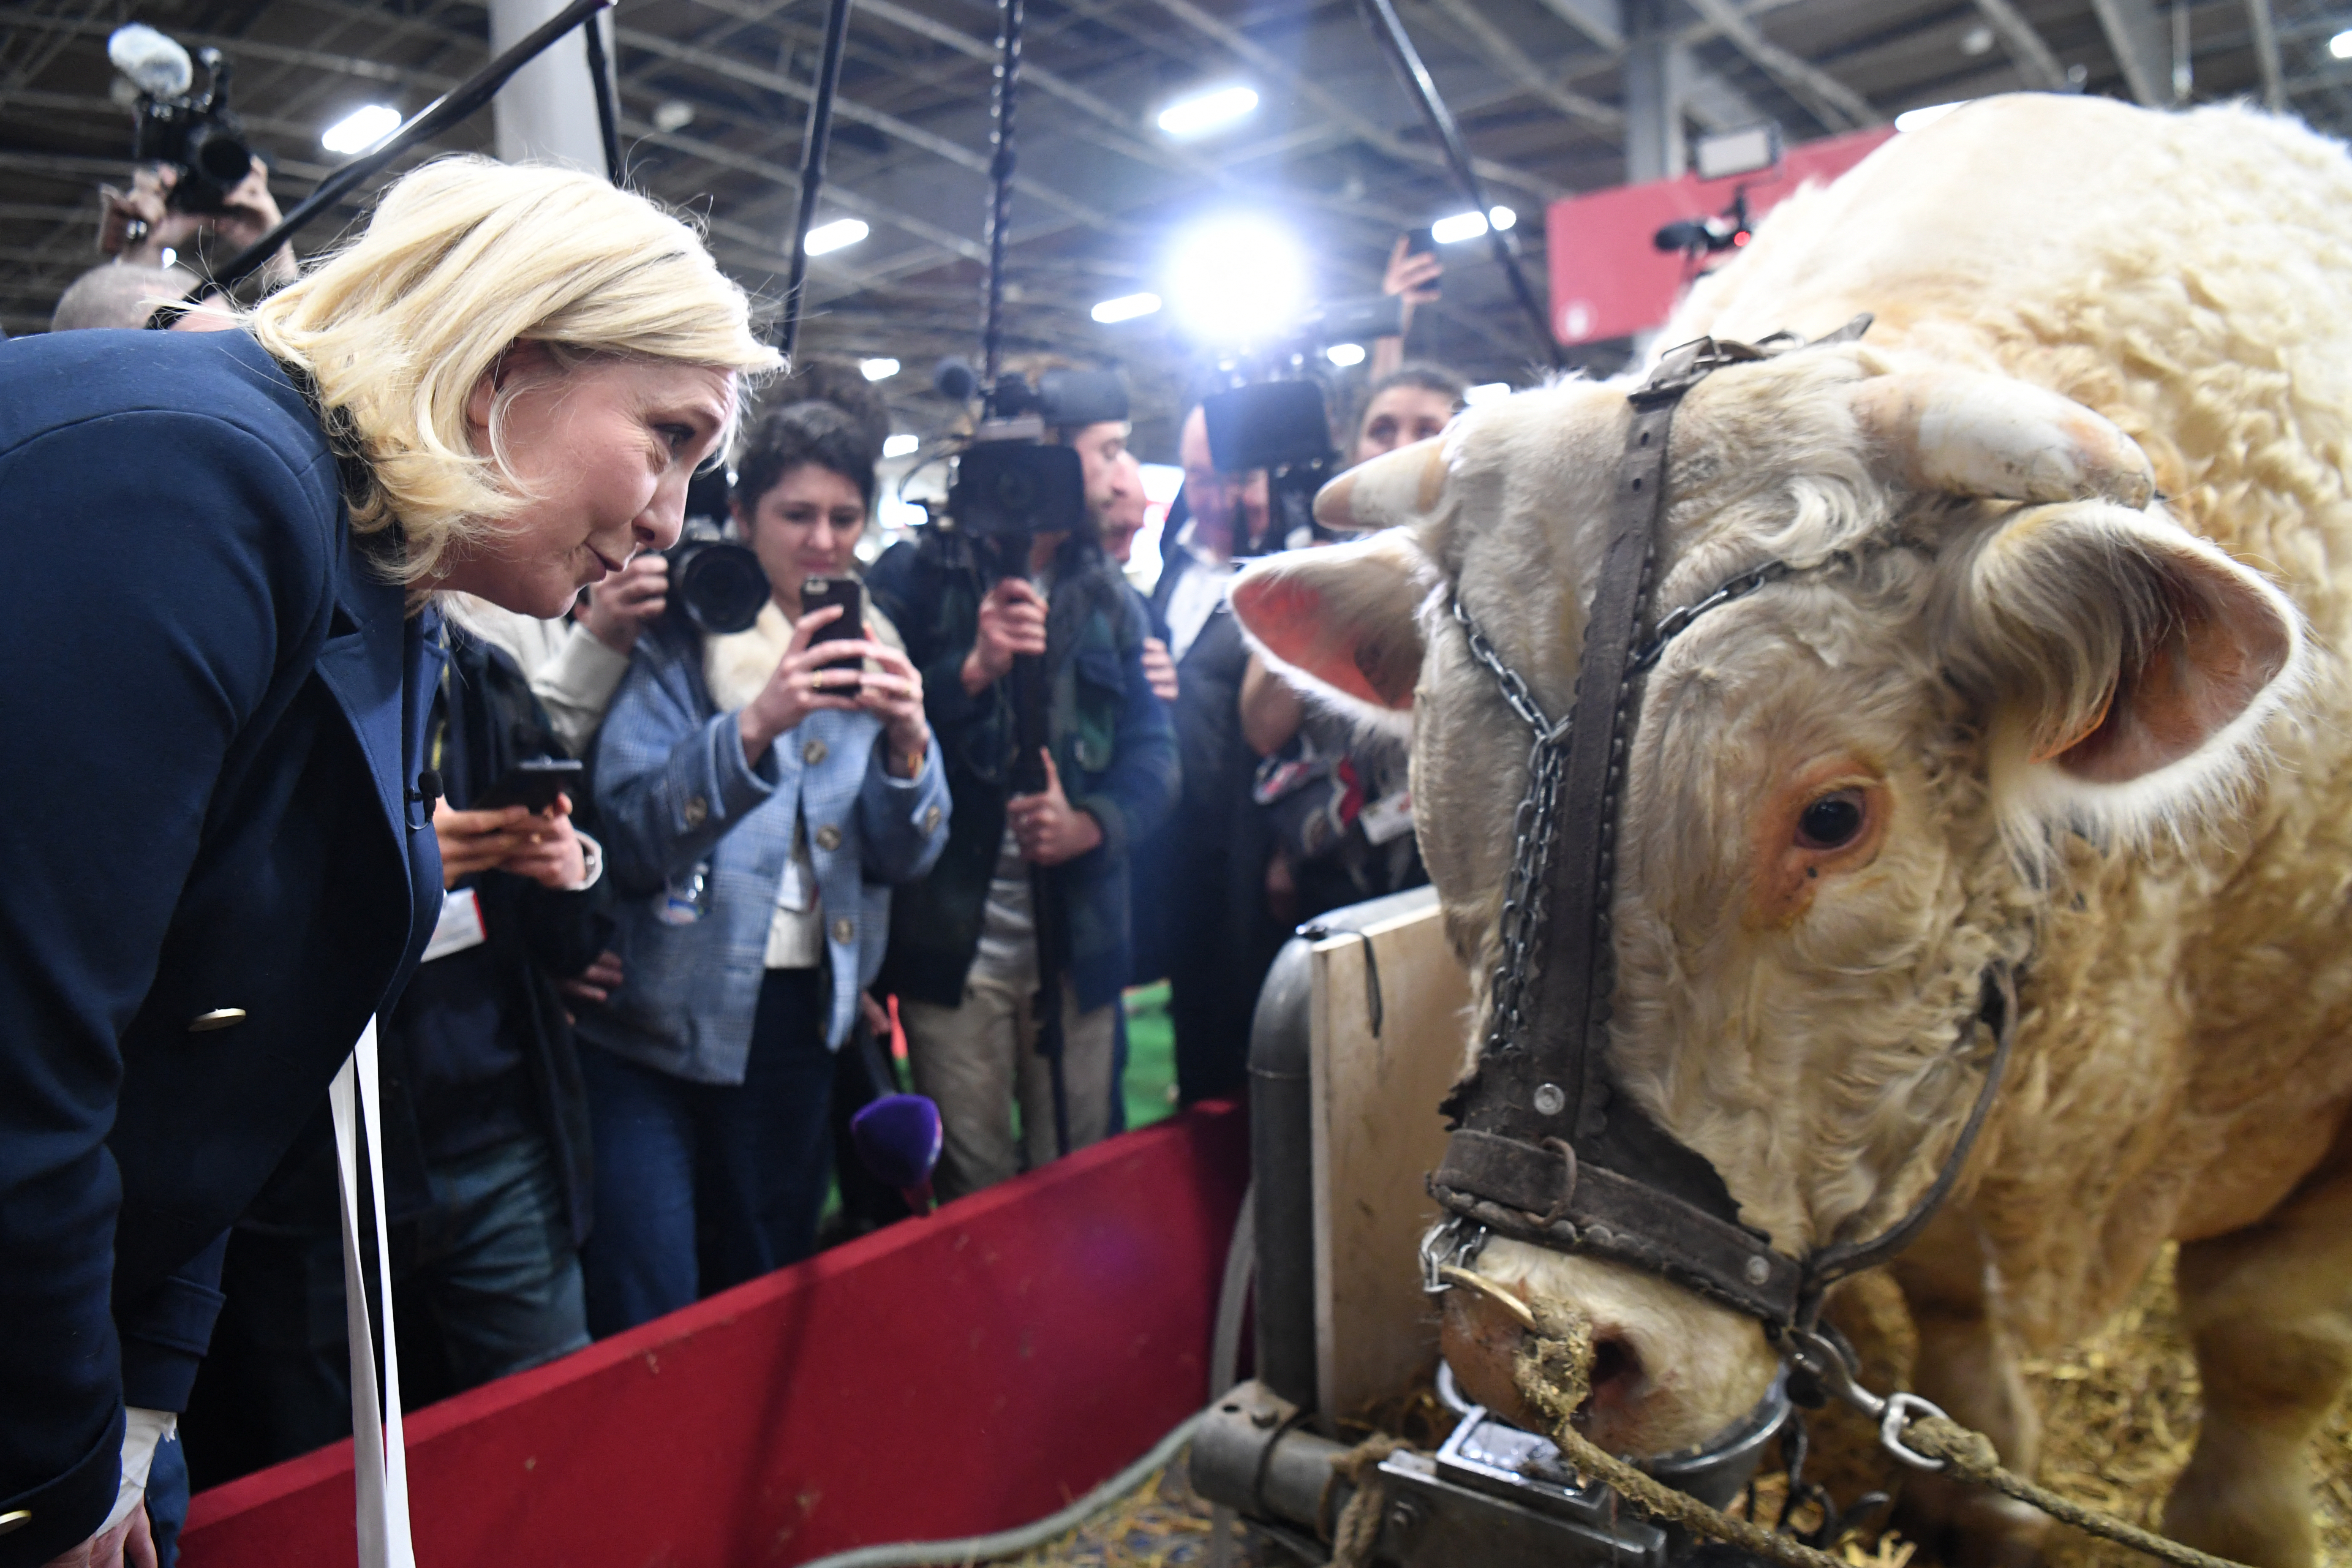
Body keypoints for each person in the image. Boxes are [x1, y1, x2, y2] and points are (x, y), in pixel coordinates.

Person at [0, 155, 773, 1568]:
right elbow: (21, 1057)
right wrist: (50, 1477)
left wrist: (134, 1410)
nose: (670, 516)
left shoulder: (383, 582)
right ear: (504, 361)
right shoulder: (197, 481)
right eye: (665, 436)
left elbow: (210, 1047)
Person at [184, 618, 611, 1487]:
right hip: (309, 1166)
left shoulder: (483, 677)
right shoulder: (260, 672)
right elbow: (192, 929)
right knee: (327, 1480)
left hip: (493, 1126)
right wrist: (392, 877)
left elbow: (573, 949)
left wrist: (571, 867)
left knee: (557, 1439)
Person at [577, 391, 949, 1334]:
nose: (822, 540)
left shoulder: (883, 652)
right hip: (657, 1017)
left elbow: (907, 854)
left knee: (766, 1270)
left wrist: (908, 742)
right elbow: (630, 834)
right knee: (652, 1285)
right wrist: (757, 723)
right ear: (742, 517)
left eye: (844, 517)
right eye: (796, 514)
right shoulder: (684, 635)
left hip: (803, 1016)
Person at [869, 387, 1179, 1200]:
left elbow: (1156, 759)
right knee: (969, 1176)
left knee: (1076, 1172)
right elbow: (860, 741)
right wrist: (969, 673)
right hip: (949, 945)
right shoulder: (918, 575)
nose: (1121, 472)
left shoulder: (1113, 598)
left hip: (1077, 944)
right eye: (1105, 448)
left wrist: (1089, 825)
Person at [1237, 366, 1464, 928]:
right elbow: (1263, 727)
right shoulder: (1324, 571)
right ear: (1355, 448)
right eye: (1382, 430)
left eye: (1426, 430)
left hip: (1454, 865)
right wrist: (1308, 601)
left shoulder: (1487, 575)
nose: (1400, 448)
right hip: (1334, 870)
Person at [1141, 403, 1286, 1104]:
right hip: (1178, 835)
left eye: (1230, 477)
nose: (1216, 496)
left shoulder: (1284, 566)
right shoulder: (1176, 557)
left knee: (1253, 1019)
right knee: (1191, 1005)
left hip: (1252, 843)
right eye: (1199, 478)